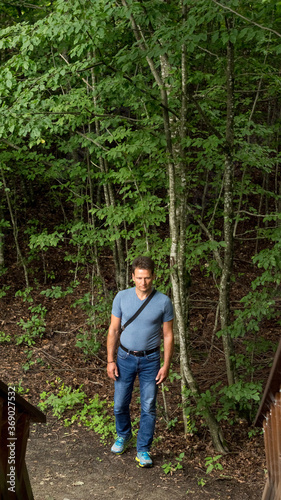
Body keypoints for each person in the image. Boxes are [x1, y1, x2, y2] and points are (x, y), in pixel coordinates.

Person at [107, 256, 174, 468]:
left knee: (148, 406)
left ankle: (143, 449)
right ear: (132, 277)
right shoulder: (121, 297)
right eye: (138, 278)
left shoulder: (163, 301)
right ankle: (123, 435)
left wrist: (166, 364)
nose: (143, 282)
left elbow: (168, 335)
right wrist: (110, 360)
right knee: (119, 405)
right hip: (124, 357)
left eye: (146, 278)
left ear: (153, 276)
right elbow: (114, 330)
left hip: (151, 360)